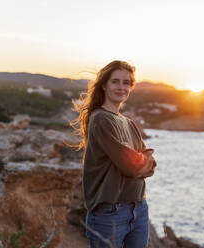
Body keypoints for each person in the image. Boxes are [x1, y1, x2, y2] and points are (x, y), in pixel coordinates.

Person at [71, 60, 156, 248]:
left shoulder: (128, 123)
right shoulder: (101, 119)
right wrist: (140, 158)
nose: (121, 87)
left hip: (139, 208)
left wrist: (140, 158)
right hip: (110, 213)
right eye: (115, 81)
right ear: (104, 85)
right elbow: (132, 166)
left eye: (126, 83)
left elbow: (151, 165)